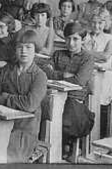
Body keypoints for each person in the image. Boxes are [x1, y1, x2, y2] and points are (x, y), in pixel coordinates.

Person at [0, 30, 47, 163]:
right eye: (20, 47)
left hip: (24, 129)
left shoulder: (39, 76)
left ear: (35, 50)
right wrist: (15, 100)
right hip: (2, 122)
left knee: (6, 156)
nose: (23, 51)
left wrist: (5, 97)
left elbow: (30, 105)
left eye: (28, 47)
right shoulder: (7, 69)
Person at [42, 22, 94, 157]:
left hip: (74, 97)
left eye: (75, 39)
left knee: (66, 116)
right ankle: (45, 144)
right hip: (54, 93)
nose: (71, 43)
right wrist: (64, 75)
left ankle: (65, 143)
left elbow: (79, 81)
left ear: (82, 40)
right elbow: (45, 71)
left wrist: (56, 74)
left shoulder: (87, 58)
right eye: (68, 38)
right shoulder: (58, 54)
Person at [83, 9, 112, 105]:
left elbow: (105, 57)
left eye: (100, 23)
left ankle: (96, 113)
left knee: (96, 87)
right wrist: (96, 56)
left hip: (103, 74)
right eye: (93, 22)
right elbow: (80, 54)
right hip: (86, 71)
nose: (96, 26)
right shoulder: (85, 37)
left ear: (105, 23)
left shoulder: (110, 38)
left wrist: (87, 52)